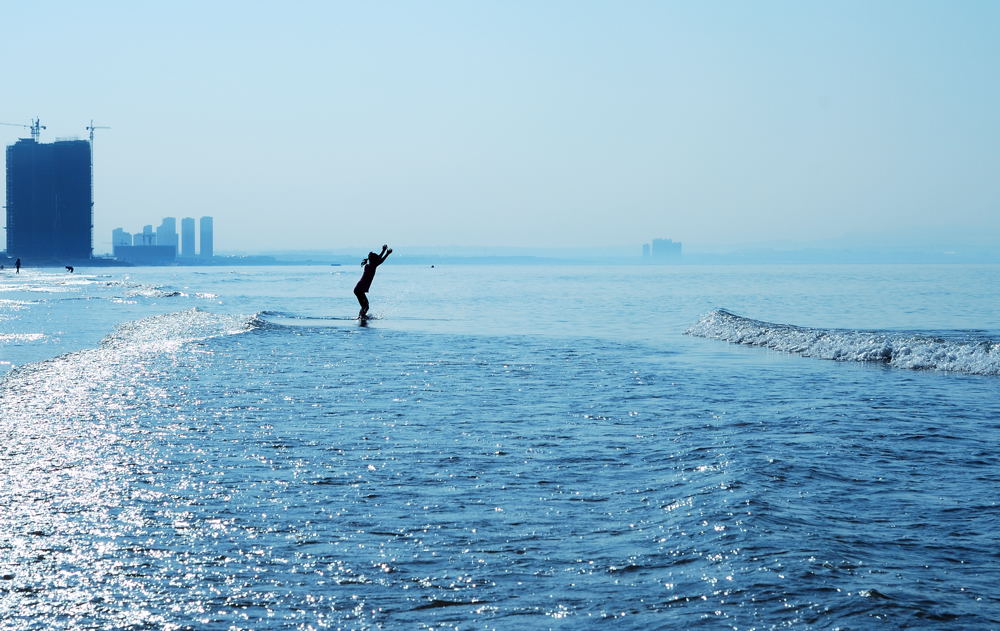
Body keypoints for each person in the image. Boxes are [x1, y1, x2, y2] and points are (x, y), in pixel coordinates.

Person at [354, 244, 392, 319]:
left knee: (365, 306)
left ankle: (361, 317)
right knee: (366, 306)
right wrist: (386, 253)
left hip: (359, 289)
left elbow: (378, 259)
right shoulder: (371, 267)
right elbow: (380, 260)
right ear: (374, 260)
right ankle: (361, 317)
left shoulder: (369, 266)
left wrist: (384, 251)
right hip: (359, 289)